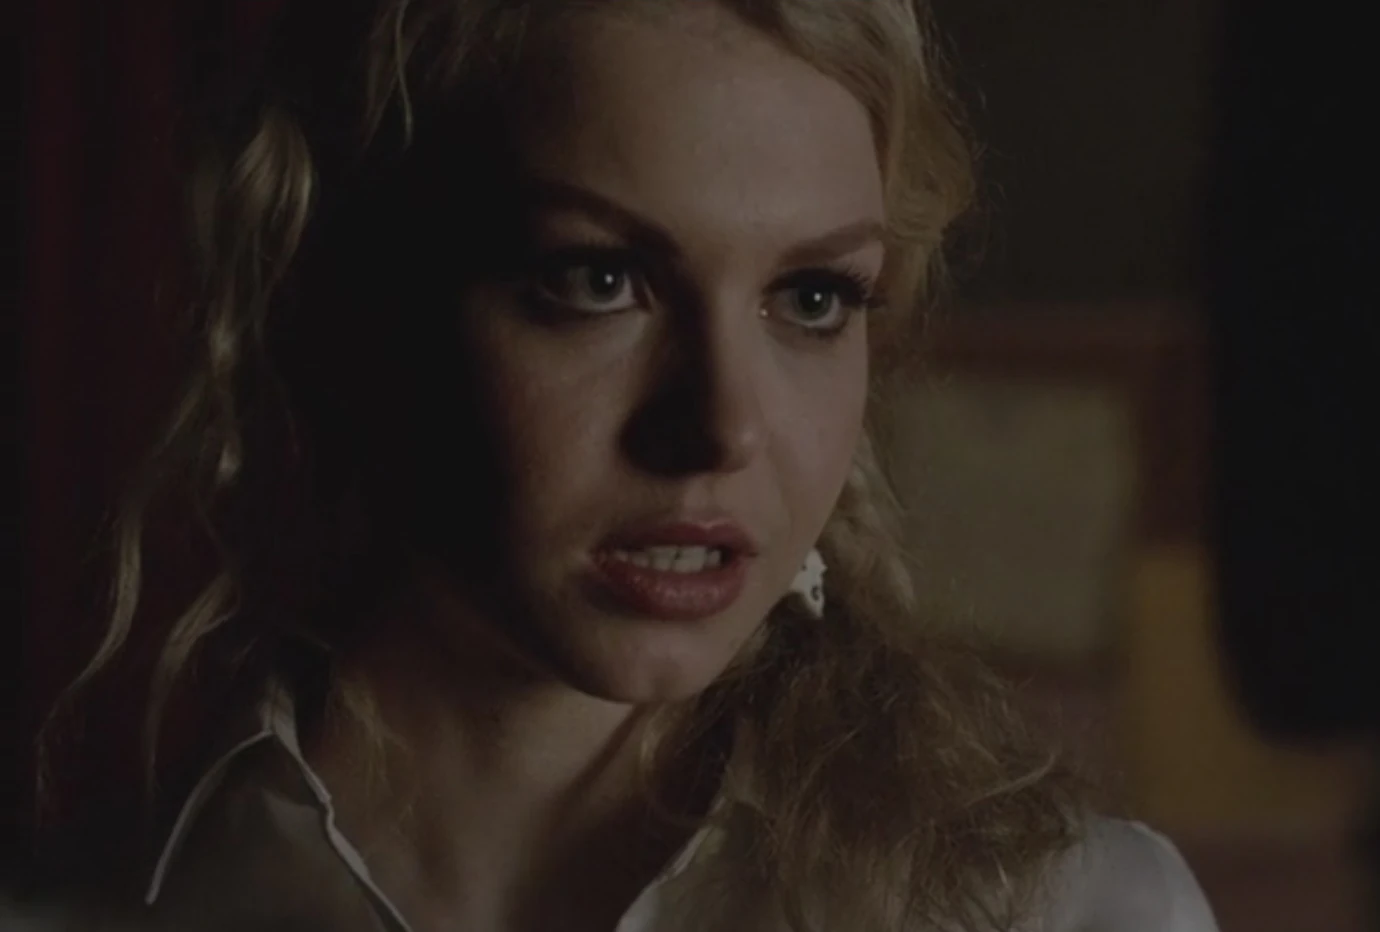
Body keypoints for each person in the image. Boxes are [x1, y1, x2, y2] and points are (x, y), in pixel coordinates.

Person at [12, 1, 1220, 929]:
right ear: (351, 298)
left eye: (811, 296)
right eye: (596, 279)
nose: (723, 426)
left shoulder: (1072, 913)